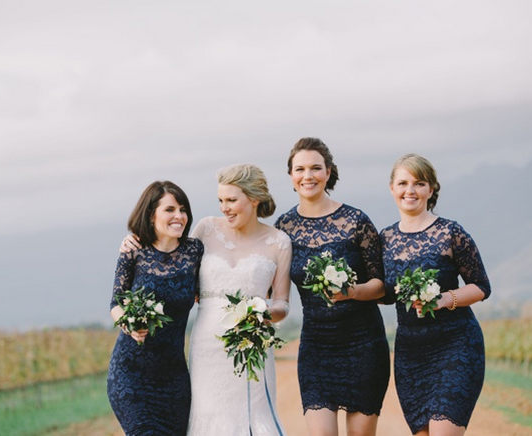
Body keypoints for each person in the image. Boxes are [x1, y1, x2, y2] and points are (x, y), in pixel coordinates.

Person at [121, 164, 291, 435]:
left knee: (253, 417)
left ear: (255, 198)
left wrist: (262, 313)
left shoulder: (279, 242)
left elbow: (282, 303)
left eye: (232, 200)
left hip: (250, 345)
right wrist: (135, 241)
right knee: (208, 416)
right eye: (221, 200)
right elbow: (169, 256)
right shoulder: (206, 229)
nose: (224, 207)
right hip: (206, 345)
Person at [274, 137, 390, 436]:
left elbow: (381, 285)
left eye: (315, 168)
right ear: (291, 176)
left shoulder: (355, 220)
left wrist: (351, 292)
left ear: (328, 172)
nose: (307, 176)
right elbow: (270, 284)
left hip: (363, 344)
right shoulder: (283, 228)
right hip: (316, 348)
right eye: (299, 169)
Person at [380, 153, 491, 436]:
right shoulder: (384, 240)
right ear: (392, 188)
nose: (410, 191)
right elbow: (384, 293)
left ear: (431, 189)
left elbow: (480, 286)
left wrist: (443, 299)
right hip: (411, 352)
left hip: (456, 345)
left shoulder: (451, 233)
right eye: (403, 183)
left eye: (419, 183)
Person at [107, 181, 203, 436]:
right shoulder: (134, 251)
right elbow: (115, 304)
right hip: (132, 375)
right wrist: (129, 324)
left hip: (174, 377)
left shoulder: (195, 251)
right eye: (170, 209)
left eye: (182, 209)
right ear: (151, 215)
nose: (179, 216)